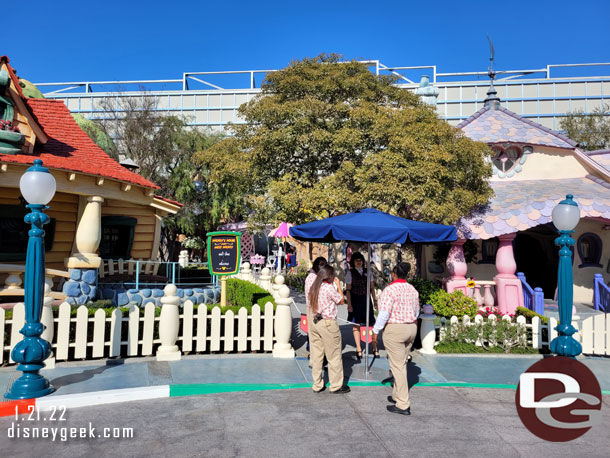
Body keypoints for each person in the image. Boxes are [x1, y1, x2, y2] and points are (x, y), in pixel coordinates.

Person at [373, 262, 419, 415]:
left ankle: (403, 404)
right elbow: (417, 310)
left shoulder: (390, 290)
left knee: (397, 366)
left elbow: (384, 313)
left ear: (393, 274)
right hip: (411, 327)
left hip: (395, 329)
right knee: (402, 363)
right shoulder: (412, 289)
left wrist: (375, 330)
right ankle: (397, 395)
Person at [308, 265, 350, 394]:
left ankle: (317, 384)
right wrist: (338, 285)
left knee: (317, 354)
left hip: (316, 322)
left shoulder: (315, 286)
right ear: (329, 276)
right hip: (328, 323)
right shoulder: (328, 287)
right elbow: (341, 301)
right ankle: (336, 385)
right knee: (334, 355)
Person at [345, 252, 378, 359]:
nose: (359, 262)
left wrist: (375, 300)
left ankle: (374, 347)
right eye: (356, 260)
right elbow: (348, 290)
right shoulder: (350, 273)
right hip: (355, 299)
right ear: (353, 262)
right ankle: (358, 348)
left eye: (360, 260)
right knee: (356, 324)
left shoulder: (368, 272)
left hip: (366, 299)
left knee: (372, 324)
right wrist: (349, 304)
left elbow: (372, 288)